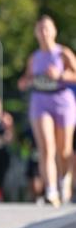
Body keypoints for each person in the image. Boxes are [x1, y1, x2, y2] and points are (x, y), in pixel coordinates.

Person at [18, 15, 76, 206]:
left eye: (47, 29)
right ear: (36, 33)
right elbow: (26, 78)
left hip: (62, 102)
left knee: (64, 150)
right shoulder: (34, 58)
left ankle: (64, 181)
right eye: (40, 29)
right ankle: (51, 190)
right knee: (46, 147)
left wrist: (60, 74)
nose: (44, 33)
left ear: (54, 31)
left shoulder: (63, 54)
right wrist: (24, 82)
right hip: (40, 101)